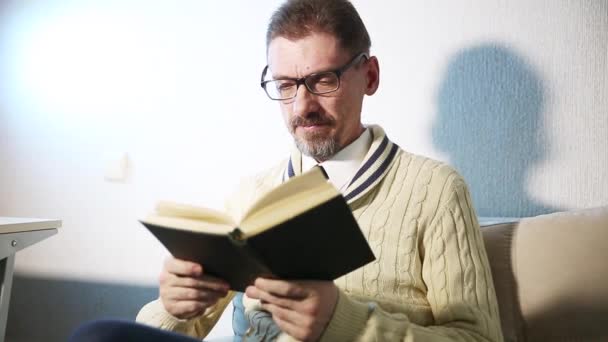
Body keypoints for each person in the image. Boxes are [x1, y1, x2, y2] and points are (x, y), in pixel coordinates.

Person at [69, 0, 503, 341]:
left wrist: (346, 323)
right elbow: (176, 327)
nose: (301, 107)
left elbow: (478, 338)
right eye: (286, 85)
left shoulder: (435, 190)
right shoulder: (253, 193)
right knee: (99, 335)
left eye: (323, 81)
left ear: (369, 75)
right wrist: (174, 305)